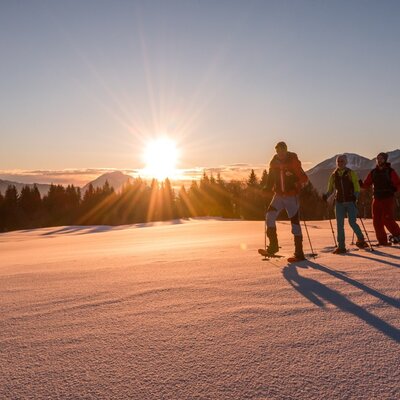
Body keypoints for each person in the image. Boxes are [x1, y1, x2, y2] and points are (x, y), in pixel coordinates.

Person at [263, 141, 309, 260]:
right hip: (278, 195)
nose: (281, 153)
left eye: (283, 150)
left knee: (294, 223)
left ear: (286, 150)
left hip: (291, 196)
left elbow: (304, 178)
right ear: (276, 151)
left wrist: (293, 178)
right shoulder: (273, 163)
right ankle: (273, 246)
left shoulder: (293, 160)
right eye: (278, 151)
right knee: (269, 216)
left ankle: (299, 253)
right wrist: (267, 188)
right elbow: (271, 178)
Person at [322, 154, 368, 254]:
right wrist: (326, 195)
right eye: (338, 162)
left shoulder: (351, 173)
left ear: (346, 162)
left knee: (352, 222)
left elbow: (356, 187)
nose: (340, 163)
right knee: (339, 225)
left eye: (342, 161)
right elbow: (330, 189)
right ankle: (341, 246)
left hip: (350, 202)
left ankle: (361, 239)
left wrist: (355, 197)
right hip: (339, 202)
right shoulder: (334, 175)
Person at [361, 152, 400, 245]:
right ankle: (382, 241)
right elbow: (367, 184)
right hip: (377, 198)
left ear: (385, 160)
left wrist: (395, 189)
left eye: (381, 158)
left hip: (388, 198)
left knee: (387, 218)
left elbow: (398, 183)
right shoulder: (373, 172)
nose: (379, 160)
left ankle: (398, 234)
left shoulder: (390, 171)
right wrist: (361, 185)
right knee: (376, 221)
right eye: (377, 158)